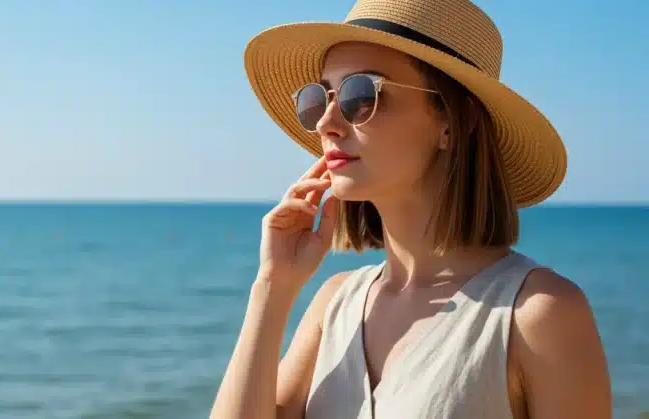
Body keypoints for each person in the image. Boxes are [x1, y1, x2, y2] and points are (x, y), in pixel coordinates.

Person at [211, 0, 612, 418]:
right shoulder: (335, 304)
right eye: (319, 97)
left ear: (452, 125)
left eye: (360, 94)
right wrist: (273, 287)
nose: (327, 122)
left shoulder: (538, 313)